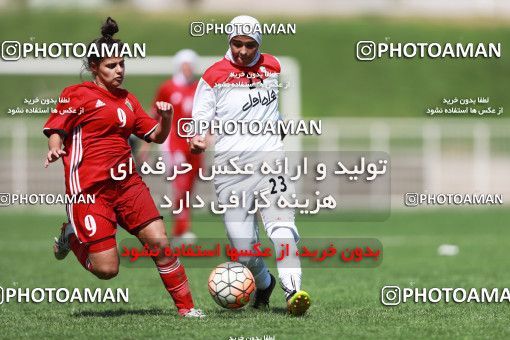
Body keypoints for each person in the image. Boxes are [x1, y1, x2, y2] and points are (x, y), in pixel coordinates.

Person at [43, 17, 205, 318]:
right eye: (111, 66)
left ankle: (187, 309)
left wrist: (166, 118)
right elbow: (57, 127)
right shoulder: (76, 94)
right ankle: (71, 236)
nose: (119, 71)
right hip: (90, 191)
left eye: (122, 64)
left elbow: (155, 135)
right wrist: (55, 146)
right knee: (107, 270)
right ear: (94, 67)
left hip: (128, 185)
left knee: (160, 243)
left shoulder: (128, 100)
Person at [189, 15, 311, 316]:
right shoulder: (212, 76)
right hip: (230, 169)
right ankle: (265, 282)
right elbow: (199, 119)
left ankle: (293, 292)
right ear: (229, 41)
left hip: (270, 161)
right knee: (244, 250)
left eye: (250, 44)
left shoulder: (273, 66)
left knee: (282, 227)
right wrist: (198, 138)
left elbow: (270, 108)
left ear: (260, 43)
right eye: (237, 44)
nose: (243, 50)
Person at [139, 49, 203, 244]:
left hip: (195, 144)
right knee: (180, 184)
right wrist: (146, 144)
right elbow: (154, 115)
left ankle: (179, 229)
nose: (187, 68)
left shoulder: (199, 88)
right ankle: (183, 230)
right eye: (184, 64)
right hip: (173, 143)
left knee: (190, 185)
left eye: (190, 65)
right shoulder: (167, 88)